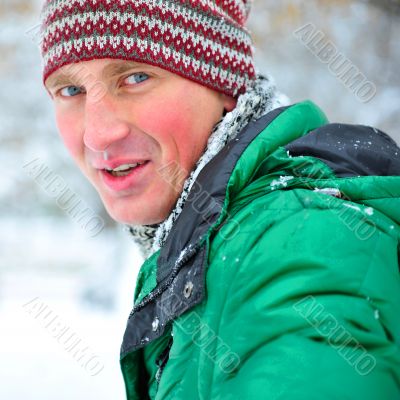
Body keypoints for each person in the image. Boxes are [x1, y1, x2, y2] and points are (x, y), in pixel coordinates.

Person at [39, 1, 400, 399]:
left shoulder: (297, 245)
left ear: (224, 86)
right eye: (71, 90)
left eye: (137, 77)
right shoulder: (213, 241)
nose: (97, 134)